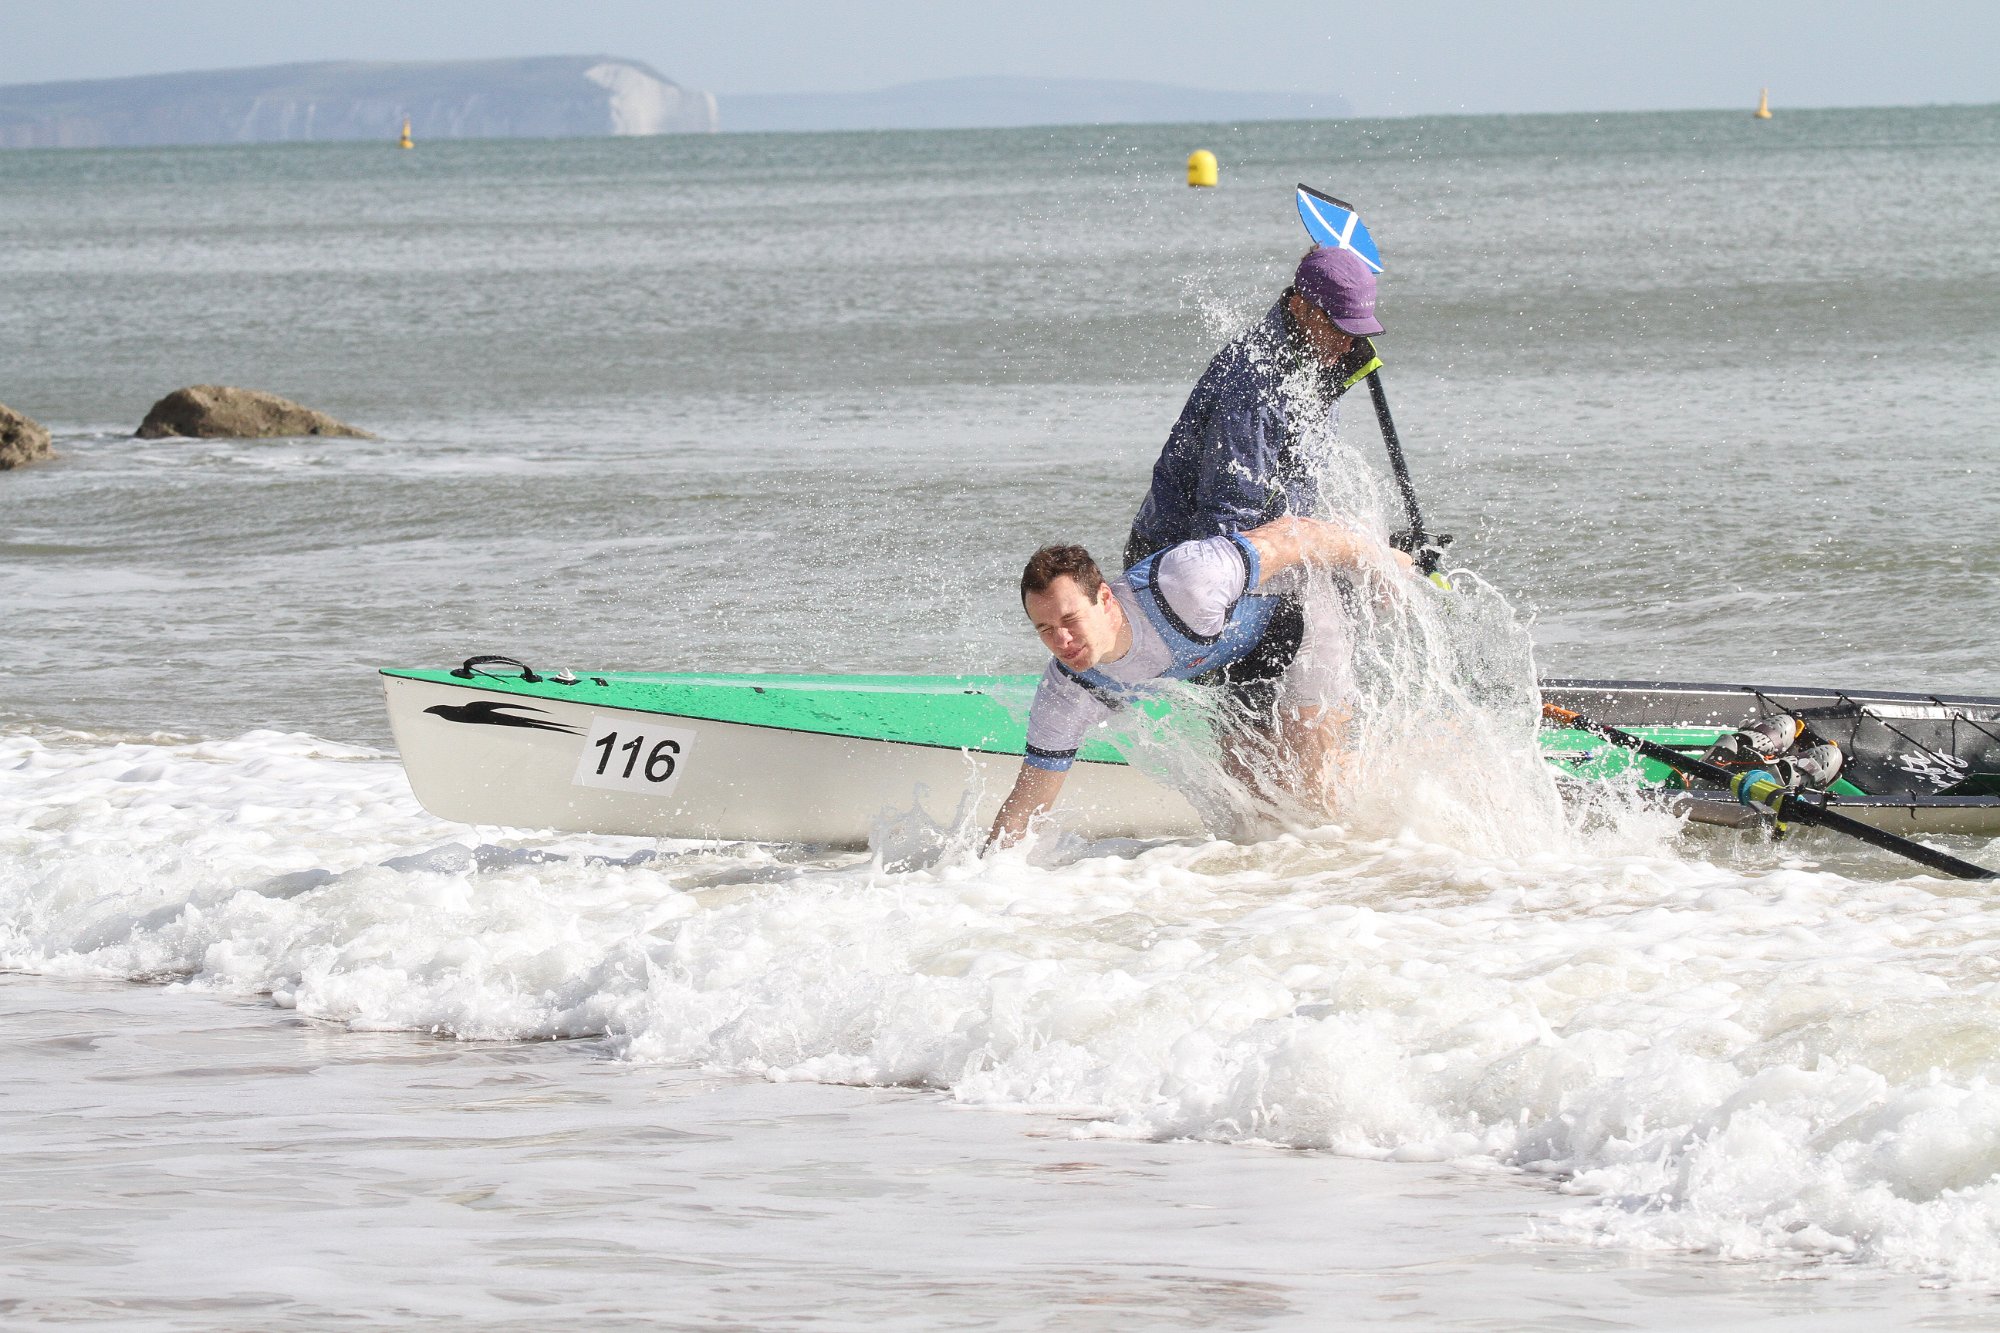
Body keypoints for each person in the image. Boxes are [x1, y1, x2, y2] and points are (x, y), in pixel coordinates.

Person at [984, 516, 1413, 850]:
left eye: (1070, 620)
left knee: (1320, 795)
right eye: (1044, 629)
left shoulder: (1185, 583)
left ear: (1106, 599)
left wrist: (1381, 560)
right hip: (1237, 666)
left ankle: (1416, 780)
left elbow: (1292, 536)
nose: (1062, 641)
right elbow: (1025, 808)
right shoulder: (1067, 691)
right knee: (1258, 822)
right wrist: (979, 886)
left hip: (1306, 620)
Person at [1124, 244, 1387, 567]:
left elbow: (1296, 491)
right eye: (1338, 327)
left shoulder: (1319, 366)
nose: (1347, 344)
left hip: (1258, 553)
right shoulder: (1255, 384)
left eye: (1357, 331)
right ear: (1299, 307)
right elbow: (1228, 511)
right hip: (1181, 560)